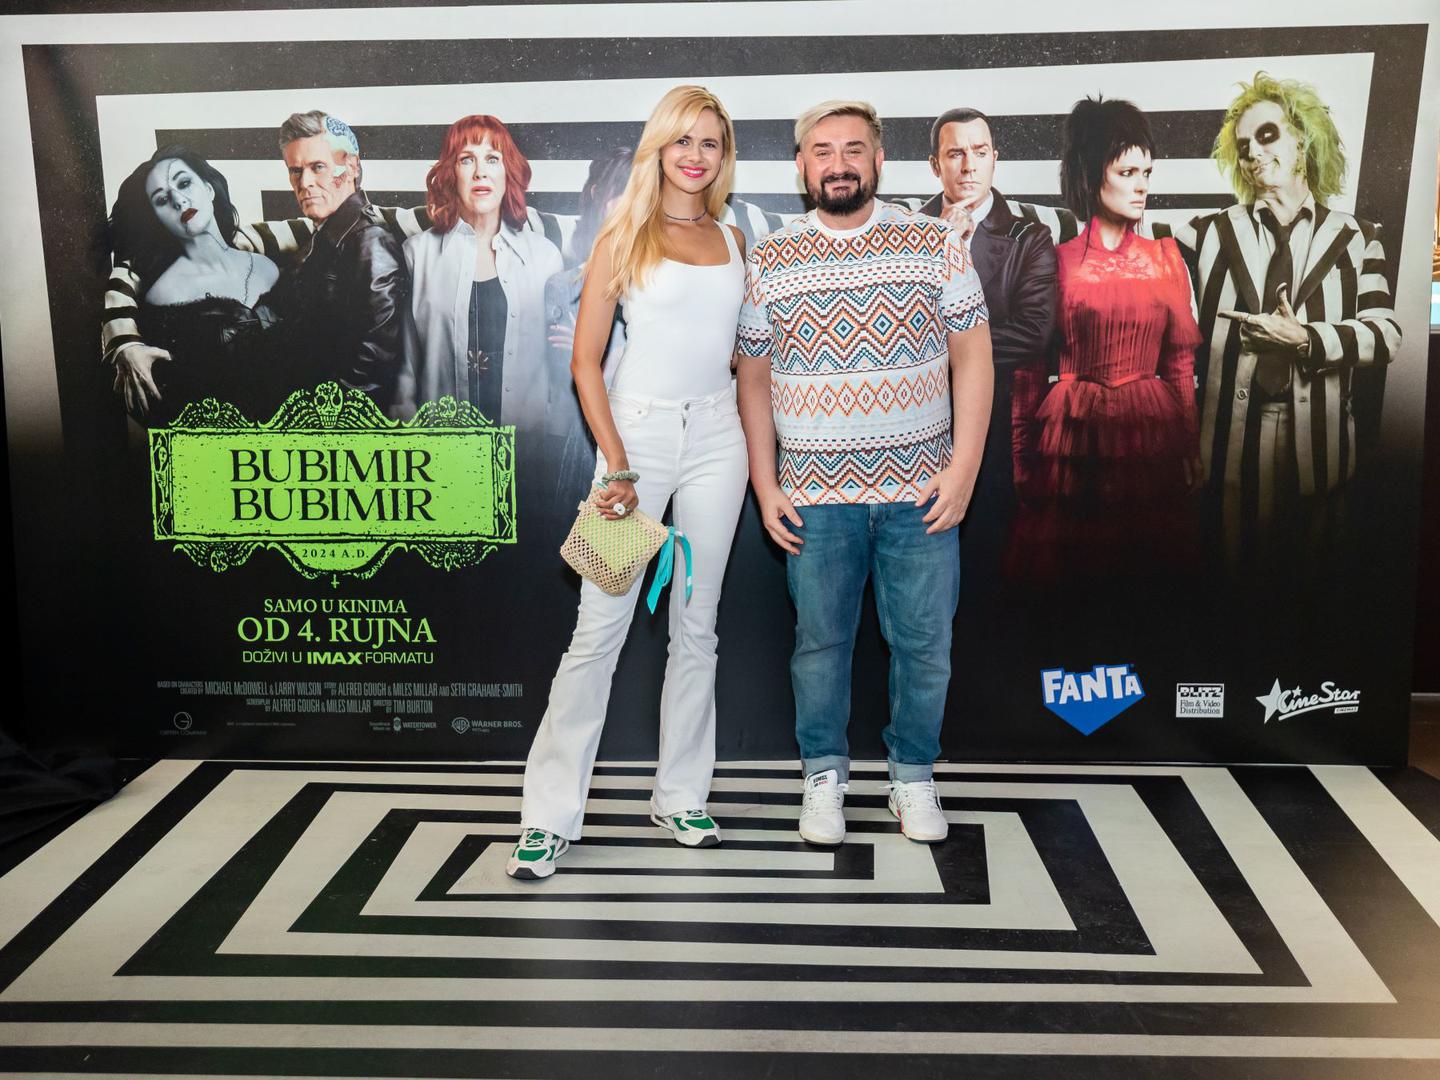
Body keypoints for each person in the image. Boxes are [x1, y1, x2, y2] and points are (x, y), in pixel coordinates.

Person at [507, 86, 750, 879]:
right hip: (635, 441)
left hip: (719, 439)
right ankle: (547, 818)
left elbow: (739, 351)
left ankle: (680, 795)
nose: (696, 155)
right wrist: (616, 461)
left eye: (710, 142)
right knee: (598, 630)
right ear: (658, 148)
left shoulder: (734, 238)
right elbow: (585, 363)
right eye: (683, 140)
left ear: (723, 154)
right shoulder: (624, 234)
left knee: (697, 624)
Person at [736, 100, 992, 847]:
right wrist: (766, 484)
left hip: (921, 494)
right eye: (822, 151)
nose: (839, 164)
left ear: (879, 160)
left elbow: (974, 358)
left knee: (925, 647)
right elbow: (752, 377)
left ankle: (913, 777)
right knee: (820, 646)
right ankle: (824, 775)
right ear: (801, 166)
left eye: (854, 149)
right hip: (814, 500)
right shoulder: (771, 256)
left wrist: (964, 470)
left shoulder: (934, 242)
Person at [1168, 73, 1401, 572]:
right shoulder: (1205, 234)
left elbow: (1385, 334)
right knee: (1233, 581)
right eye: (1243, 145)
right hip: (1227, 445)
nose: (1253, 151)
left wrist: (1307, 339)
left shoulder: (1358, 238)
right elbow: (1113, 236)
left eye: (1267, 135)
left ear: (1303, 139)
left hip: (1321, 448)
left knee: (1309, 586)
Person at [1007, 98, 1203, 583]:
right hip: (1071, 441)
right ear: (1092, 173)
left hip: (1149, 437)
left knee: (1145, 582)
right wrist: (1021, 456)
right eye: (1128, 172)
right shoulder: (1055, 261)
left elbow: (1179, 366)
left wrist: (1190, 448)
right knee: (1074, 582)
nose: (1142, 185)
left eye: (1147, 173)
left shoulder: (1166, 258)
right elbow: (1029, 372)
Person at [917, 108, 1057, 591]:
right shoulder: (908, 231)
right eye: (955, 153)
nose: (968, 165)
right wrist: (941, 245)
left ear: (995, 158)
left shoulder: (1028, 236)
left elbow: (1034, 332)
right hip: (916, 425)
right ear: (935, 165)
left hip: (999, 428)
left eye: (979, 152)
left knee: (989, 571)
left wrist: (943, 346)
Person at [396, 115, 563, 432]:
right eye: (466, 159)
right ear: (451, 173)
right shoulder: (417, 254)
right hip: (440, 443)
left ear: (508, 171)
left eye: (492, 159)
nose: (480, 172)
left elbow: (560, 370)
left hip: (526, 443)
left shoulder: (545, 258)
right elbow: (404, 368)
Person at [107, 146, 281, 425]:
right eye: (162, 199)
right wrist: (125, 344)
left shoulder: (263, 255)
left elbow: (334, 222)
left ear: (209, 189)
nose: (178, 200)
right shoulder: (163, 293)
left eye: (184, 183)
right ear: (157, 218)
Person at [273, 111, 408, 406]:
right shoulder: (319, 240)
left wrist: (318, 420)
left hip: (336, 423)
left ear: (351, 167)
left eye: (318, 167)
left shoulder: (370, 241)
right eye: (295, 170)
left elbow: (373, 366)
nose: (305, 182)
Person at [544, 148, 635, 508]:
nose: (631, 204)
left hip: (657, 430)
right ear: (598, 194)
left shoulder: (663, 279)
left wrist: (609, 358)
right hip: (587, 440)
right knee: (596, 538)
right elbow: (565, 376)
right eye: (621, 192)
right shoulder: (565, 285)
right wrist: (591, 360)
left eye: (641, 193)